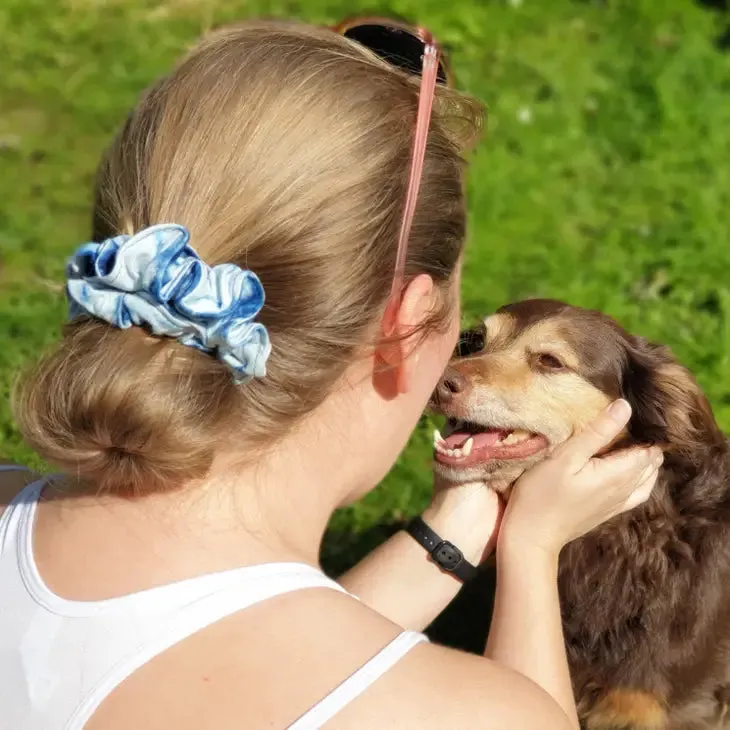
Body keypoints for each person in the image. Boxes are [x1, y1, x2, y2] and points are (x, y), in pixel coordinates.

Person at [0, 18, 662, 730]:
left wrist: (458, 524)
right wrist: (531, 553)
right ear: (403, 325)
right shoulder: (467, 715)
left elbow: (222, 640)